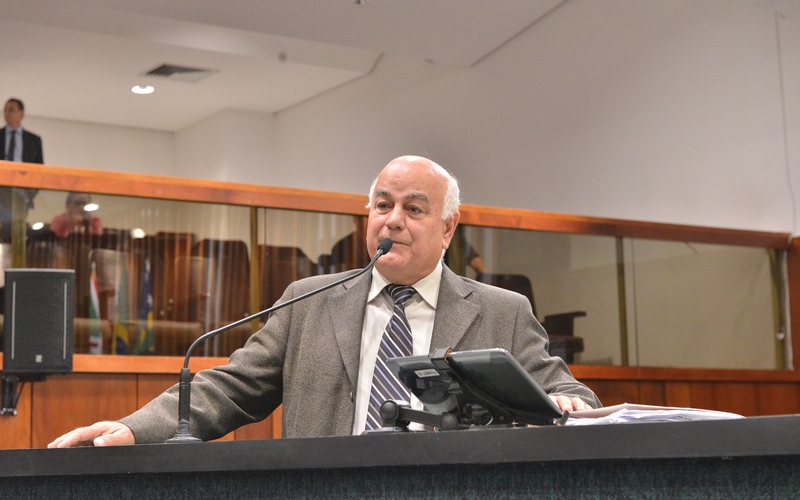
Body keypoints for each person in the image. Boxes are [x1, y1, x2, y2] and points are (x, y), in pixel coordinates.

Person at [48, 155, 599, 448]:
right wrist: (134, 428)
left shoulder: (501, 310)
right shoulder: (308, 302)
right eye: (382, 205)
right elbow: (228, 388)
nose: (393, 220)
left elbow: (571, 395)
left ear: (448, 227)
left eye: (413, 209)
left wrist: (568, 406)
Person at [0, 98, 44, 241]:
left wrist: (29, 195)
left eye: (11, 110)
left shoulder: (33, 140)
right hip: (1, 189)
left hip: (21, 193)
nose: (7, 113)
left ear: (21, 113)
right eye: (5, 110)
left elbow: (39, 170)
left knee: (16, 232)